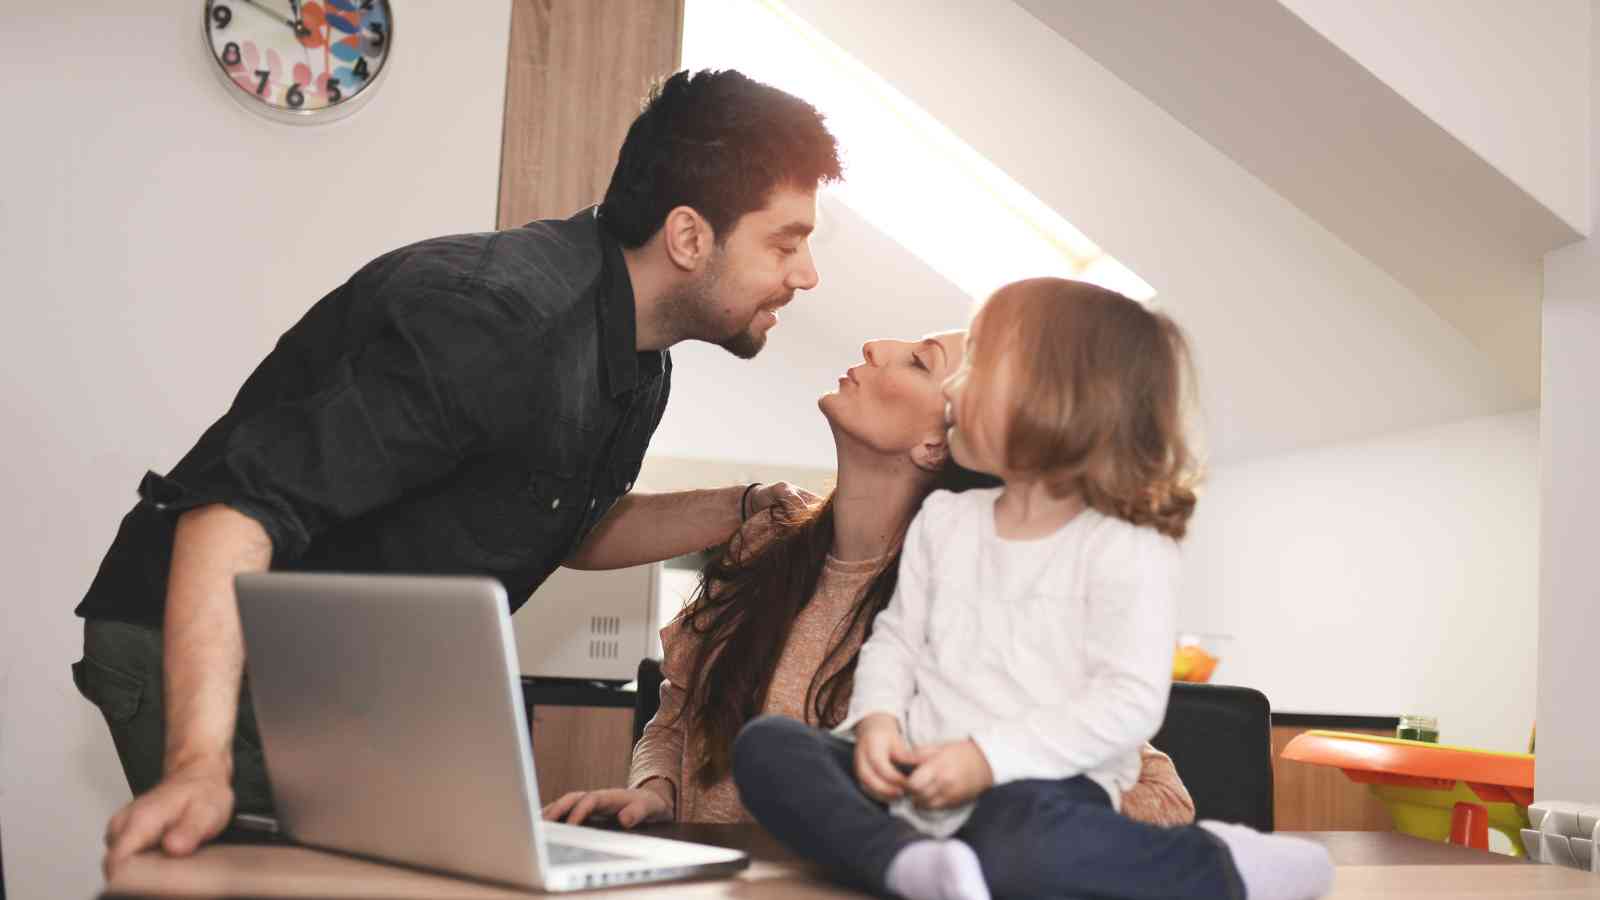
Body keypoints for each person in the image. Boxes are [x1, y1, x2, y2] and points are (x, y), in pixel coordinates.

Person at [72, 68, 841, 873]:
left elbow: (570, 522)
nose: (807, 273)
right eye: (785, 242)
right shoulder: (496, 324)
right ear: (689, 238)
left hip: (330, 664)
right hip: (200, 632)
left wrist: (742, 505)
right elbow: (236, 510)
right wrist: (200, 766)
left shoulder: (639, 360)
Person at [732, 279, 1335, 900]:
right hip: (917, 781)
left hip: (1039, 786)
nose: (955, 392)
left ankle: (1221, 865)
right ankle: (906, 863)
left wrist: (985, 759)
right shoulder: (945, 522)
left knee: (1021, 845)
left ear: (1055, 400)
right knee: (768, 748)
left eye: (980, 367)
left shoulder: (1126, 548)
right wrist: (878, 719)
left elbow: (1128, 702)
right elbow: (896, 641)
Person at [541, 328, 1196, 830]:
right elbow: (677, 722)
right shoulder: (764, 542)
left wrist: (970, 783)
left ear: (937, 444)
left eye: (918, 361)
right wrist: (654, 795)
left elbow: (1160, 797)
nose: (875, 345)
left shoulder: (984, 591)